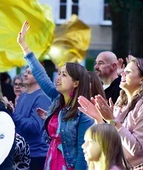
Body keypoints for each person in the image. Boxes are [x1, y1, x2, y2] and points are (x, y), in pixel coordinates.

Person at [17, 20, 94, 170]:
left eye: (64, 75)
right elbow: (41, 74)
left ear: (76, 83)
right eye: (58, 73)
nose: (58, 77)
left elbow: (82, 155)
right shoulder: (56, 100)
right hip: (50, 162)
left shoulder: (84, 113)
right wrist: (24, 46)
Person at [78, 56, 143, 169]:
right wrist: (98, 119)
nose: (122, 73)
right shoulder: (120, 101)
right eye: (123, 71)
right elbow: (109, 141)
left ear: (141, 79)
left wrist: (112, 120)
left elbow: (137, 150)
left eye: (128, 72)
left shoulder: (141, 105)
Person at [12, 66, 51, 170]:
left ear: (39, 77)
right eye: (26, 72)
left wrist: (13, 114)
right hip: (22, 152)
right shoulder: (23, 96)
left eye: (29, 73)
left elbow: (34, 127)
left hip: (36, 155)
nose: (25, 74)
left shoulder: (42, 97)